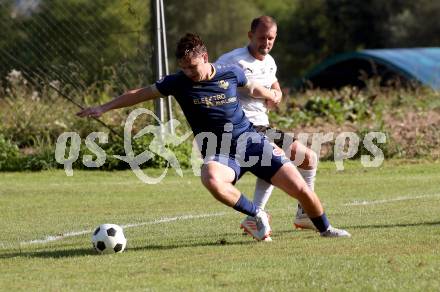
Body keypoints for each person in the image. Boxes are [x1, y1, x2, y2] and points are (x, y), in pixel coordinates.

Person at [77, 33, 350, 240]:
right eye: (184, 68)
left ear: (205, 58)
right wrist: (103, 107)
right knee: (210, 178)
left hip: (250, 142)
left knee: (301, 188)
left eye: (193, 67)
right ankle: (256, 214)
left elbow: (251, 86)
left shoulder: (229, 72)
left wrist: (270, 94)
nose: (189, 73)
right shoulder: (177, 82)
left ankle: (326, 230)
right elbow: (139, 93)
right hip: (220, 153)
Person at [216, 16, 318, 235]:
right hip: (245, 127)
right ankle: (294, 214)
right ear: (250, 35)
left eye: (271, 38)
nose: (267, 42)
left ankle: (287, 215)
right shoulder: (234, 59)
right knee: (302, 157)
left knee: (303, 160)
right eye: (262, 37)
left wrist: (277, 93)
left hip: (263, 125)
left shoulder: (269, 61)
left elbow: (273, 82)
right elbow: (208, 76)